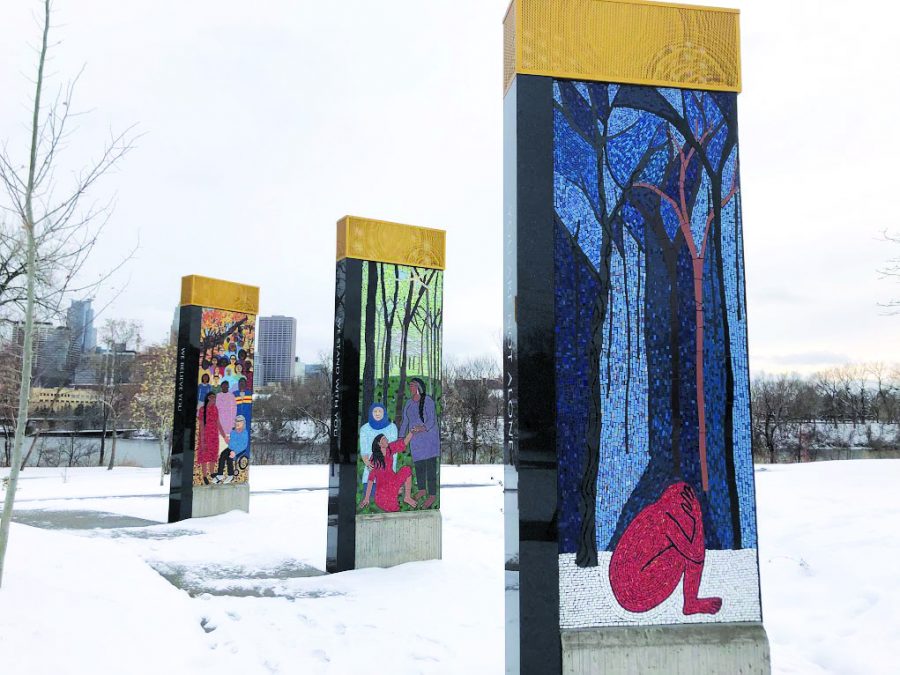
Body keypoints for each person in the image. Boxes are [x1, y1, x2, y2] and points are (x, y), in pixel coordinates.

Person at [609, 482, 722, 616]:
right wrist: (697, 516)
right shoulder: (666, 520)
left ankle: (691, 602)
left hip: (622, 584)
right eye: (687, 507)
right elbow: (697, 555)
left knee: (685, 549)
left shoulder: (652, 511)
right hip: (635, 593)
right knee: (684, 554)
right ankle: (690, 603)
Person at [399, 378, 440, 509]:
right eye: (409, 386)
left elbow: (431, 420)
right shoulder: (409, 404)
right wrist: (401, 437)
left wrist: (421, 428)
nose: (410, 388)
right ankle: (422, 489)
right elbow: (405, 421)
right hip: (416, 441)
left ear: (419, 387)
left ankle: (432, 494)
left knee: (430, 466)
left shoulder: (428, 401)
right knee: (419, 465)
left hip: (429, 439)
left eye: (412, 386)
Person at [359, 431, 420, 512]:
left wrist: (411, 433)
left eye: (386, 438)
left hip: (393, 480)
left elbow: (403, 443)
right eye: (384, 439)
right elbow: (370, 479)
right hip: (383, 489)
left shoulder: (389, 449)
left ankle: (407, 497)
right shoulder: (374, 459)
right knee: (394, 509)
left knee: (407, 469)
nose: (387, 440)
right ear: (379, 444)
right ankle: (395, 492)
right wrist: (366, 498)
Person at [358, 403, 398, 499]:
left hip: (387, 469)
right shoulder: (364, 429)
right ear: (371, 413)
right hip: (371, 469)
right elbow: (364, 451)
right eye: (375, 411)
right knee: (371, 497)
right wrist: (368, 464)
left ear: (384, 413)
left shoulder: (392, 428)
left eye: (380, 411)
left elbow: (392, 450)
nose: (377, 413)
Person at [197, 392, 226, 485]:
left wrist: (224, 435)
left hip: (214, 435)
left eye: (215, 398)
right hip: (205, 435)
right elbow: (201, 425)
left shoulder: (215, 409)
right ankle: (205, 476)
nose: (214, 399)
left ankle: (212, 472)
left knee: (213, 455)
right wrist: (202, 440)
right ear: (208, 398)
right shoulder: (202, 410)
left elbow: (218, 422)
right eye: (212, 397)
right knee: (204, 456)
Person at [212, 415, 249, 483]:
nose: (237, 423)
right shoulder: (233, 432)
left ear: (243, 423)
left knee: (229, 458)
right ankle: (220, 474)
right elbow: (231, 442)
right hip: (231, 448)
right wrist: (228, 442)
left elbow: (243, 445)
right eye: (236, 422)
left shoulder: (244, 433)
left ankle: (230, 474)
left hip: (239, 450)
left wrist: (235, 452)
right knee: (222, 455)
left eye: (239, 422)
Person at [216, 380, 238, 444]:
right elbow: (216, 408)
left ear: (228, 386)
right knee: (220, 438)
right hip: (220, 419)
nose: (225, 387)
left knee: (229, 440)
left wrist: (233, 421)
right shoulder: (218, 396)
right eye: (223, 385)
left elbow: (234, 409)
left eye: (226, 385)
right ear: (221, 387)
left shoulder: (232, 396)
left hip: (230, 421)